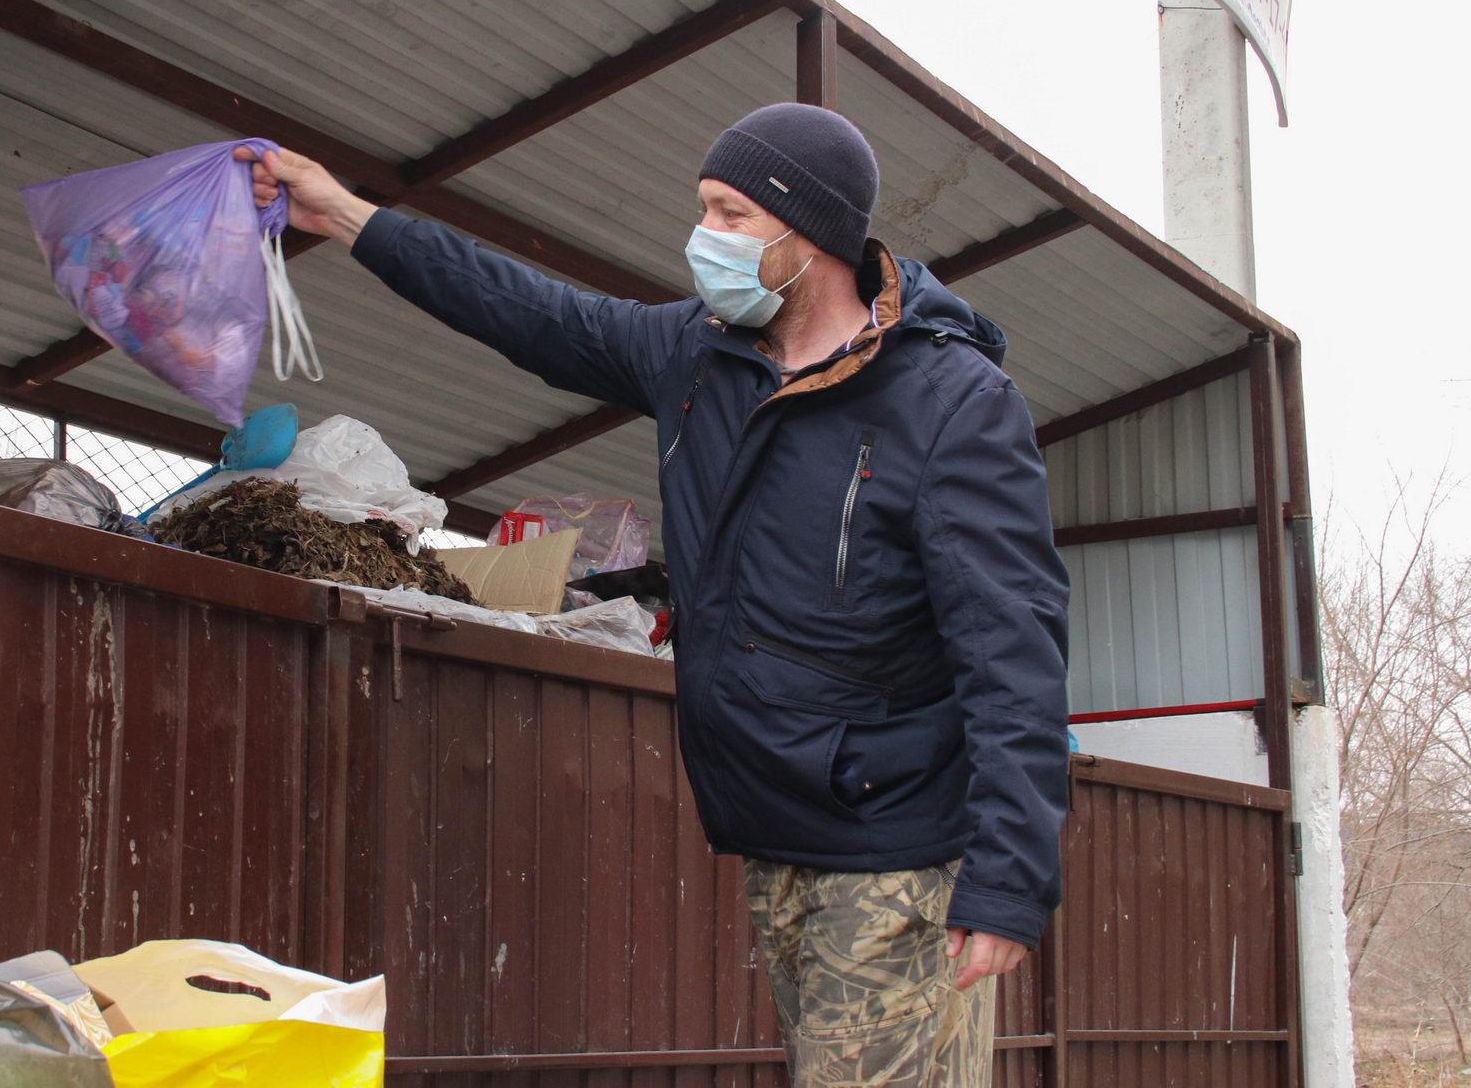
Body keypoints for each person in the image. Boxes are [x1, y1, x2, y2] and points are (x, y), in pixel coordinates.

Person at [240, 101, 1070, 1087]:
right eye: (701, 209)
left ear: (808, 235)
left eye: (727, 215)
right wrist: (343, 213)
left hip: (897, 836)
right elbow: (527, 310)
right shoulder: (698, 355)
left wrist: (1009, 878)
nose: (701, 238)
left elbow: (1011, 648)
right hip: (777, 819)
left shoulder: (947, 403)